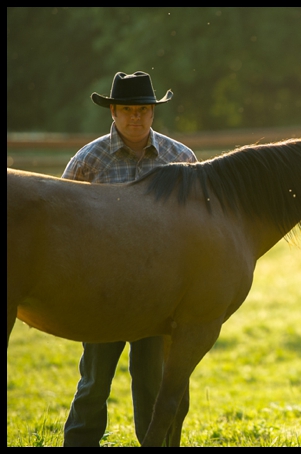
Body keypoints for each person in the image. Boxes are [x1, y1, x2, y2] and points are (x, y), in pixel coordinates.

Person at [61, 71, 197, 446]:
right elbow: (61, 222)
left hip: (158, 294)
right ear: (113, 113)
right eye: (126, 110)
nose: (134, 117)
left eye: (142, 109)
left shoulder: (181, 159)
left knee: (153, 383)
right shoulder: (88, 160)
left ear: (153, 113)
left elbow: (196, 227)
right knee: (93, 382)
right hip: (101, 292)